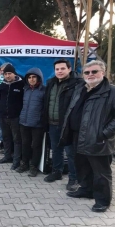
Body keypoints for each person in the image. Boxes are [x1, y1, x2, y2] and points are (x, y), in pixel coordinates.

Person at [60, 60, 115, 212]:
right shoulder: (81, 89)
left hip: (98, 139)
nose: (90, 75)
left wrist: (104, 133)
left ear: (103, 73)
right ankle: (86, 190)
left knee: (101, 173)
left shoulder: (111, 92)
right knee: (82, 166)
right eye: (87, 72)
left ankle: (103, 201)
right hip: (78, 135)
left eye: (94, 72)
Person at [43, 59, 81, 192]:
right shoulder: (51, 83)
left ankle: (73, 178)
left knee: (71, 153)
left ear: (69, 69)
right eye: (57, 69)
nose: (59, 71)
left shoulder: (77, 84)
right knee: (56, 149)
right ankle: (56, 172)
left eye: (62, 69)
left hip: (68, 126)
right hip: (52, 123)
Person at [0, 64, 24, 170]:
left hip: (16, 117)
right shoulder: (2, 85)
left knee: (17, 139)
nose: (8, 76)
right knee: (6, 137)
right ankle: (7, 156)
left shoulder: (21, 85)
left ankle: (16, 161)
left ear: (14, 74)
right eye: (5, 74)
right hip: (3, 116)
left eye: (9, 74)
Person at [16, 68, 45, 177]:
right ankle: (25, 164)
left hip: (37, 124)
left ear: (39, 78)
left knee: (36, 146)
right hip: (24, 122)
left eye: (34, 77)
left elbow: (45, 108)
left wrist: (41, 120)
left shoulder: (43, 90)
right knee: (25, 144)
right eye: (29, 77)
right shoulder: (25, 90)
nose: (31, 79)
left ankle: (34, 166)